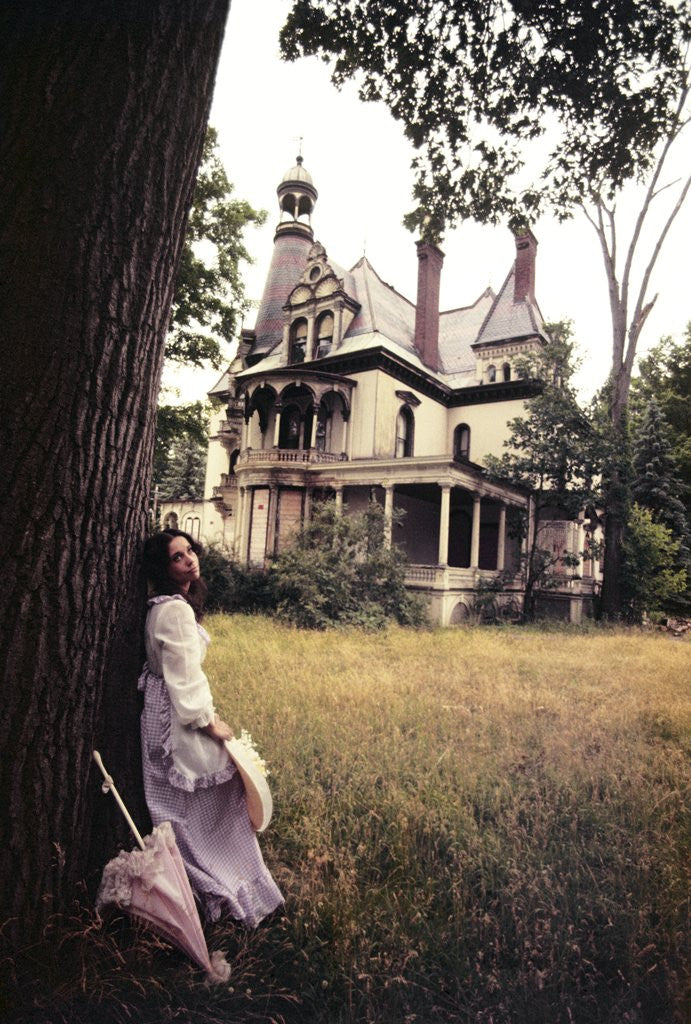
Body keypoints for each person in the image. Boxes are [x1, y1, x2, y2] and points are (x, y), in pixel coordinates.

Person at [139, 528, 283, 926]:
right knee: (217, 799)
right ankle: (225, 886)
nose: (189, 559)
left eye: (189, 551)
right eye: (176, 557)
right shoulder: (175, 611)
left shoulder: (165, 605)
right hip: (177, 722)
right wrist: (207, 722)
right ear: (163, 568)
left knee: (177, 810)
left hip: (159, 716)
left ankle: (208, 886)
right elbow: (183, 677)